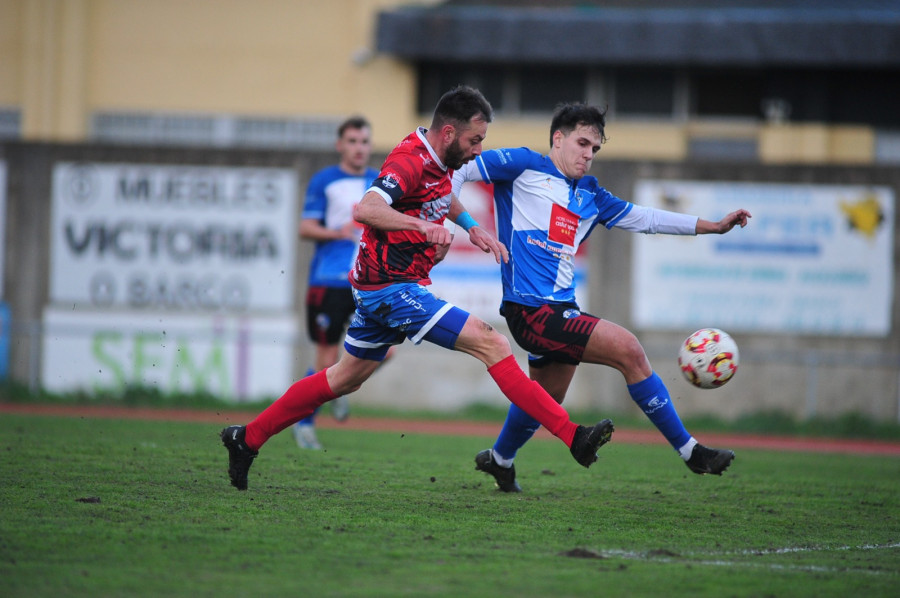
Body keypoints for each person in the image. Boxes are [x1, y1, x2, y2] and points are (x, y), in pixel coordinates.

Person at [220, 86, 615, 491]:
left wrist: (472, 227)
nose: (479, 150)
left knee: (342, 379)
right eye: (474, 140)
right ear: (447, 133)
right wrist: (422, 226)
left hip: (382, 286)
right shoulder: (410, 160)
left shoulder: (442, 159)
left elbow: (443, 196)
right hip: (391, 288)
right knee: (491, 343)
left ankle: (246, 438)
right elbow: (366, 209)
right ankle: (572, 436)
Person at [451, 102, 751, 493]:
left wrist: (711, 226)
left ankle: (501, 460)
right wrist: (465, 222)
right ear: (557, 139)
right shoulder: (523, 165)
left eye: (595, 148)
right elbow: (457, 169)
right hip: (530, 310)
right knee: (629, 349)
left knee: (543, 397)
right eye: (582, 143)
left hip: (561, 309)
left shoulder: (590, 195)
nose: (588, 154)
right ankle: (691, 451)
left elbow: (645, 218)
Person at [292, 116, 386, 450]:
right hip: (329, 280)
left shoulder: (379, 180)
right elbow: (305, 227)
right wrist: (338, 232)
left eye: (364, 142)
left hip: (368, 280)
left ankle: (339, 387)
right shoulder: (325, 180)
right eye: (352, 141)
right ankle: (304, 424)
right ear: (340, 145)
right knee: (325, 359)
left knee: (385, 351)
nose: (359, 148)